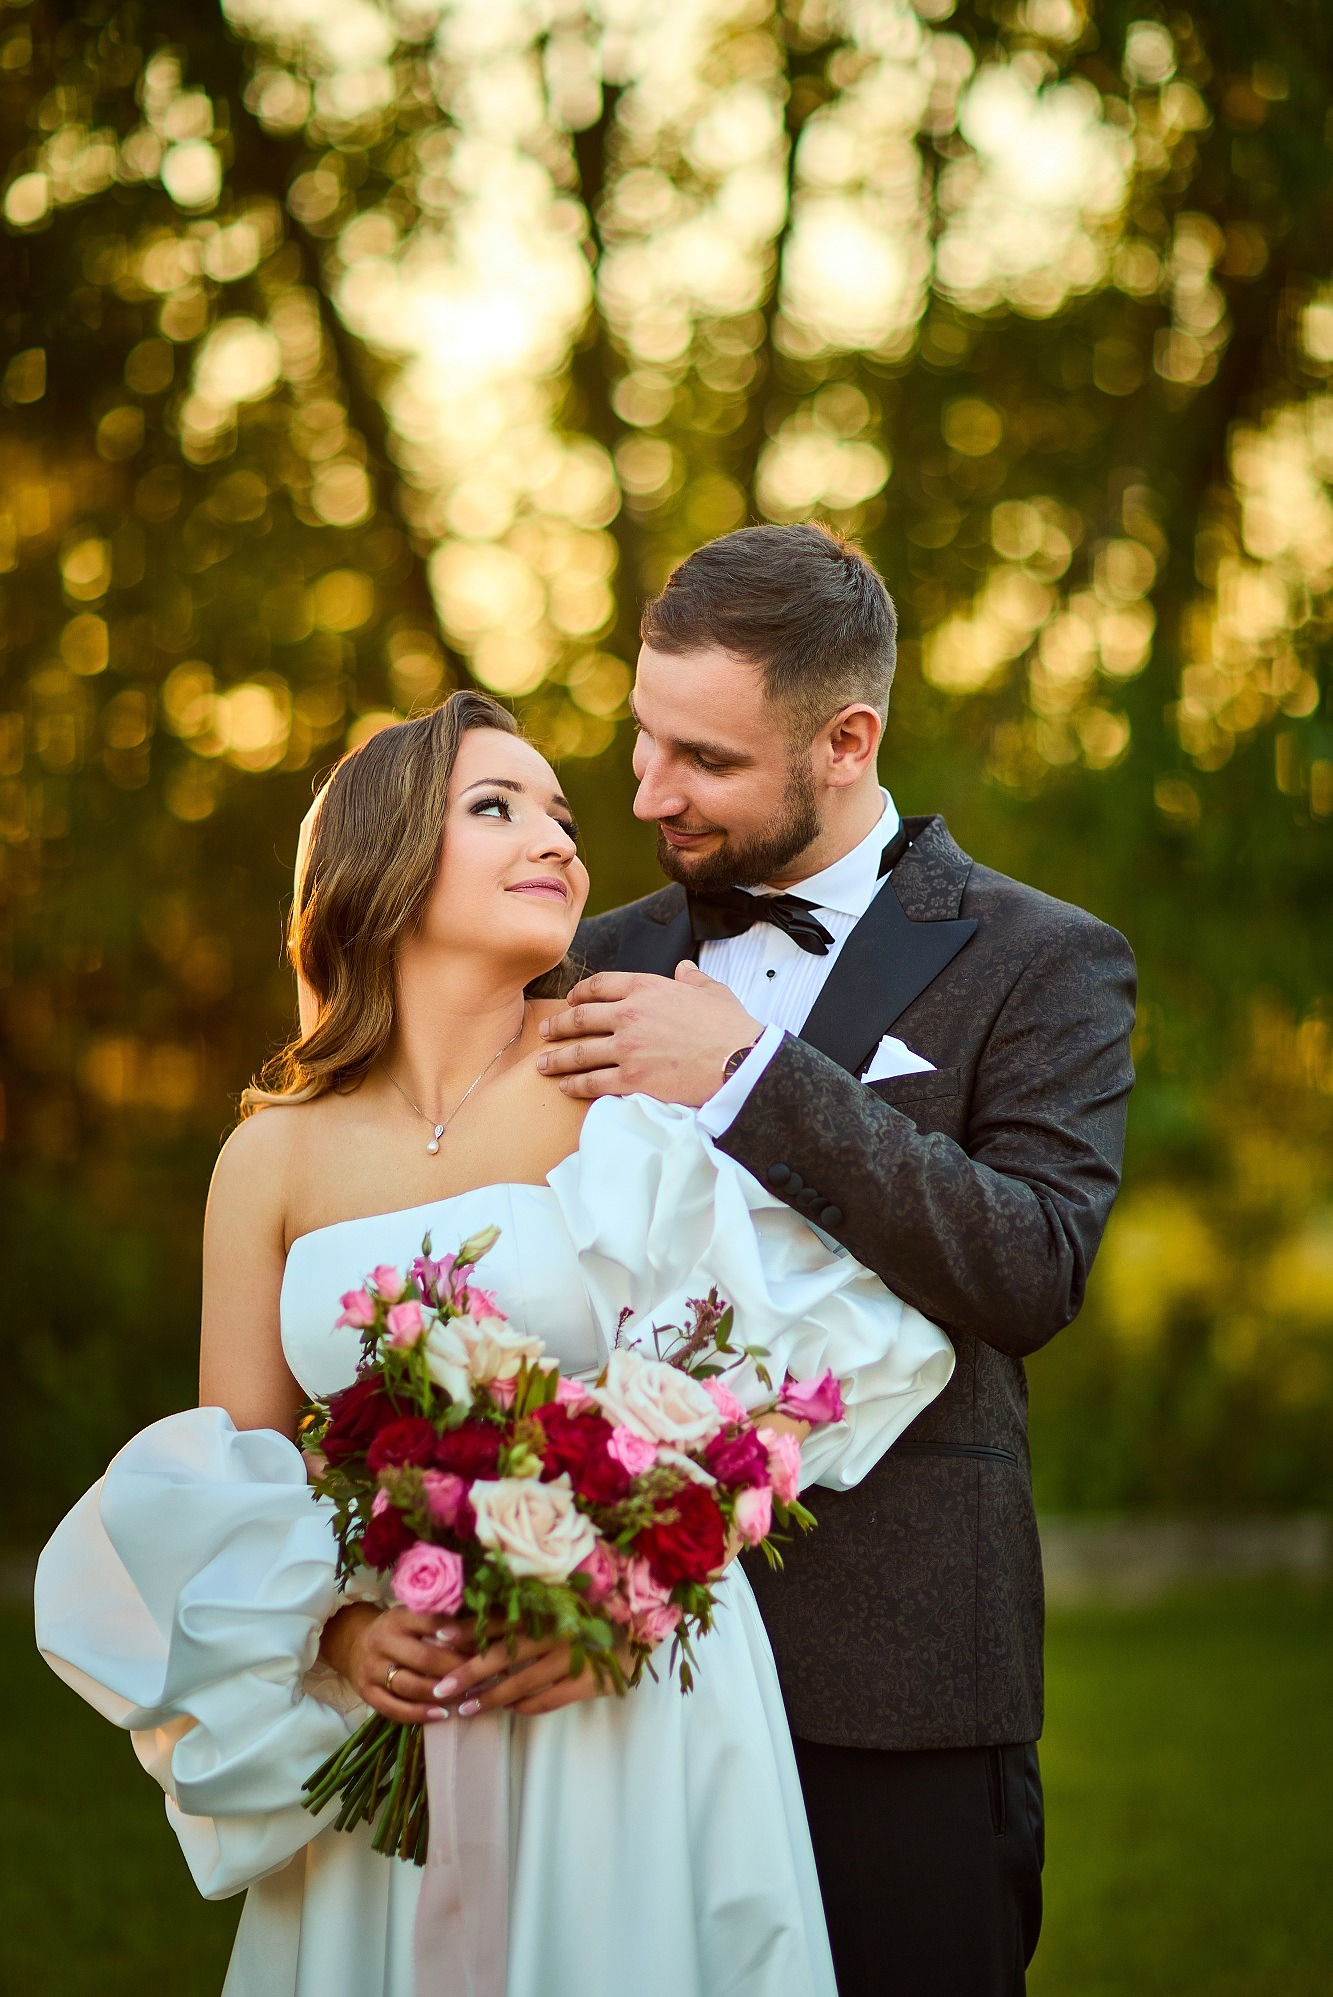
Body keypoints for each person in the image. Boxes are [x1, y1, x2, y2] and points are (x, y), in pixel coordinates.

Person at [35, 691, 954, 1997]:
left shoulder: (616, 1074)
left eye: (562, 815)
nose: (559, 839)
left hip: (621, 1694)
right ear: (385, 857)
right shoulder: (270, 1156)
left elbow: (794, 1368)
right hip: (402, 1702)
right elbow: (238, 1477)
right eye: (497, 806)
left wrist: (622, 1599)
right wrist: (346, 1637)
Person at [537, 522, 1138, 1997]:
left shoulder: (1042, 958)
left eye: (704, 759)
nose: (647, 790)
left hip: (897, 1690)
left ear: (846, 741)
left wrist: (751, 1073)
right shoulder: (582, 960)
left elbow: (1031, 1265)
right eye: (643, 735)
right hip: (613, 1670)